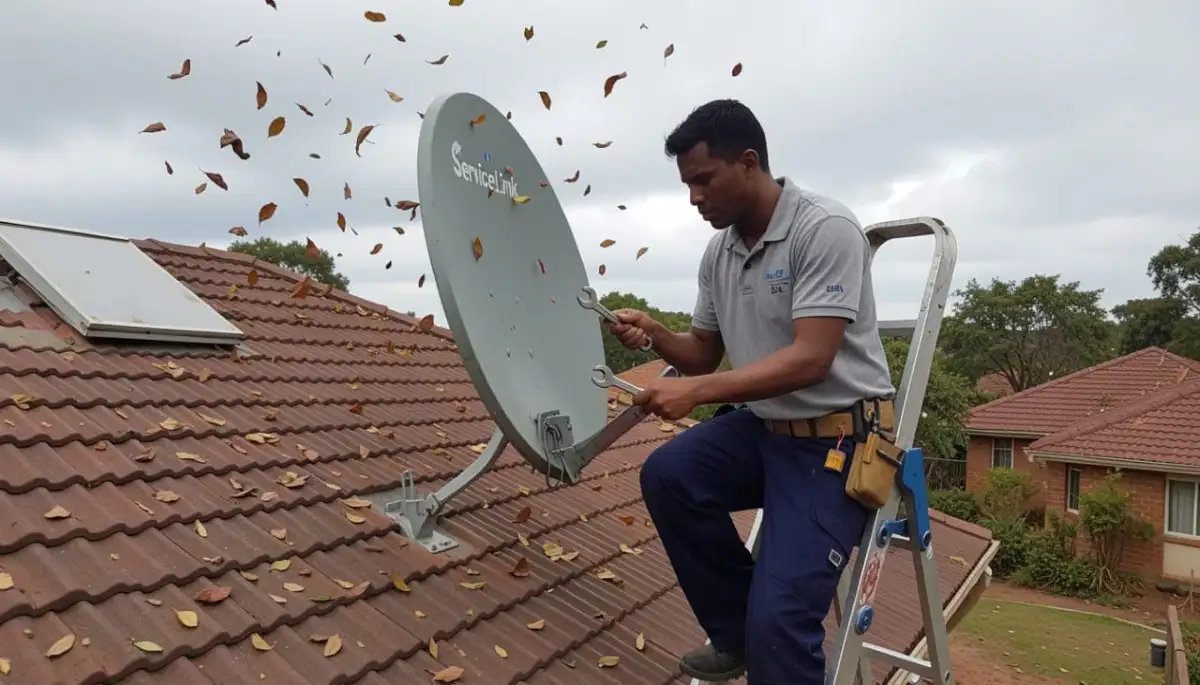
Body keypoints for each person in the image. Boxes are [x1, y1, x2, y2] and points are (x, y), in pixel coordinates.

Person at [605, 99, 896, 684]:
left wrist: (700, 393)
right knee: (670, 476)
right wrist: (657, 334)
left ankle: (760, 635)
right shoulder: (721, 251)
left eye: (703, 181)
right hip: (766, 429)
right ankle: (737, 634)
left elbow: (811, 359)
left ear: (748, 162)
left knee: (783, 622)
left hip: (836, 442)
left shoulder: (825, 229)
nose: (694, 198)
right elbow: (702, 353)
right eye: (687, 185)